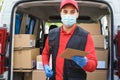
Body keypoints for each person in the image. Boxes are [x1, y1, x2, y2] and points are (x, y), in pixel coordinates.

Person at [42, 0, 98, 80]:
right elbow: (45, 53)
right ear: (61, 13)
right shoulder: (52, 34)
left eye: (72, 12)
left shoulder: (85, 36)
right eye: (65, 11)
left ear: (77, 14)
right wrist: (45, 65)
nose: (68, 15)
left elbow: (93, 64)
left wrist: (86, 63)